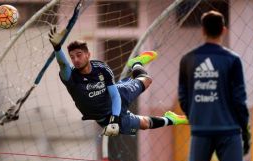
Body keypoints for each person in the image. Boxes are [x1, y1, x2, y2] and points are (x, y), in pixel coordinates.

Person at [48, 27, 188, 137]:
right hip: (104, 118)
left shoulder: (102, 69)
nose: (76, 60)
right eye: (72, 57)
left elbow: (115, 95)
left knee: (146, 80)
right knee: (145, 124)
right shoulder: (70, 76)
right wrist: (57, 47)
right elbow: (63, 65)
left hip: (118, 97)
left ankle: (137, 63)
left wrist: (114, 119)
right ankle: (172, 119)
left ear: (88, 55)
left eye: (79, 55)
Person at [178, 11, 250, 161]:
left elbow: (183, 96)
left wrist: (195, 117)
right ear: (224, 30)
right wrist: (245, 131)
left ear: (202, 30)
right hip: (229, 130)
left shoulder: (187, 59)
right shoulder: (232, 60)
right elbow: (239, 99)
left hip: (201, 130)